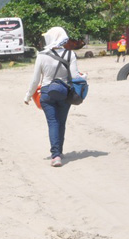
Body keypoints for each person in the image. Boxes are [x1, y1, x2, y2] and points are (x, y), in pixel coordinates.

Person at [24, 27, 83, 168]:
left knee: (53, 122)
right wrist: (84, 77)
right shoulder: (70, 55)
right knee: (61, 122)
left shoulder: (42, 55)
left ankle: (55, 155)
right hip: (64, 93)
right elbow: (75, 77)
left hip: (46, 93)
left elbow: (35, 80)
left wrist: (28, 96)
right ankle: (59, 152)